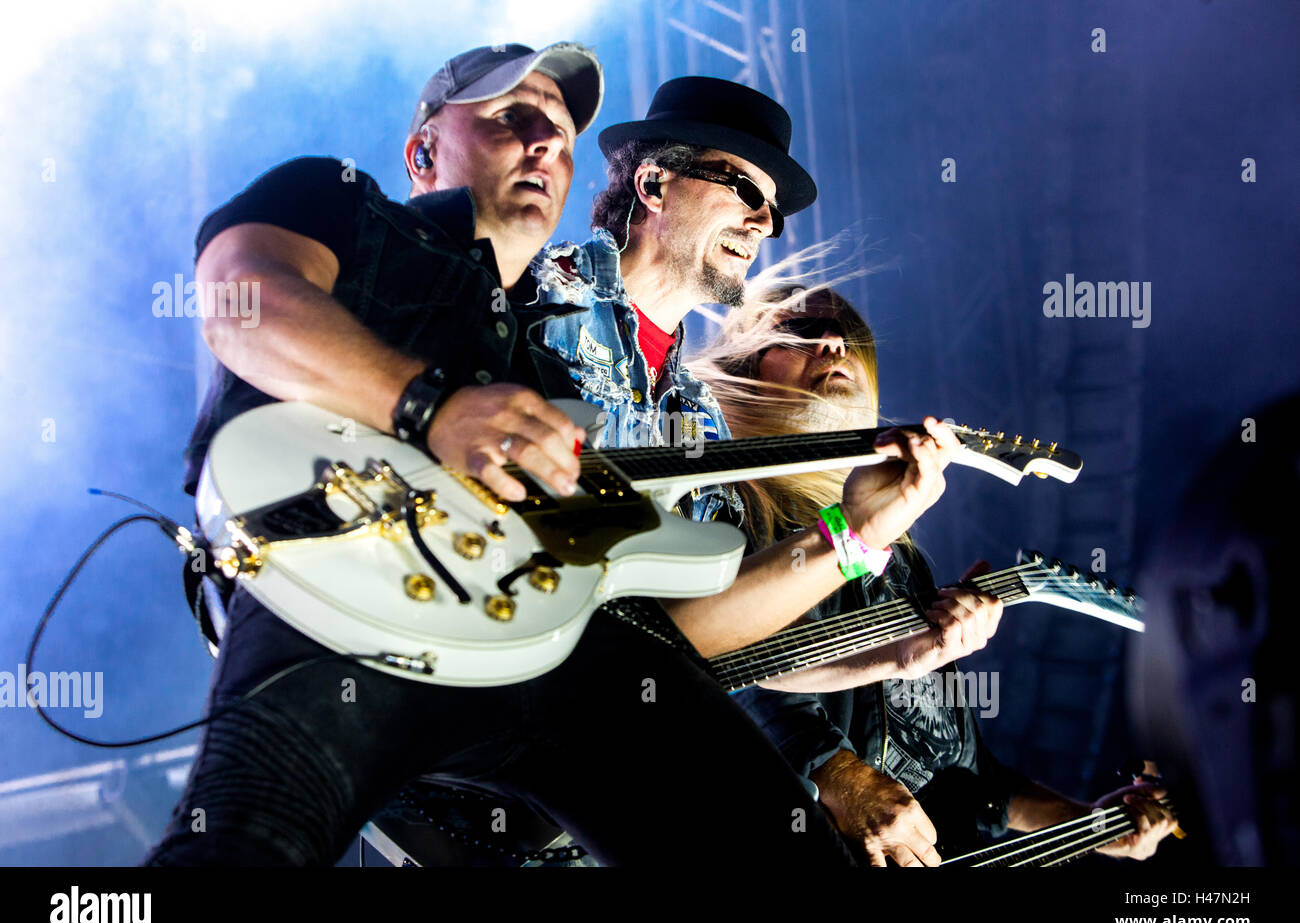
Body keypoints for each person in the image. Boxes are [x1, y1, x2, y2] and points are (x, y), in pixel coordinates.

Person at [145, 43, 857, 866]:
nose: (546, 143)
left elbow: (667, 619)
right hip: (338, 586)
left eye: (559, 130)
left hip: (540, 646)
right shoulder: (342, 206)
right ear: (423, 151)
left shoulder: (549, 363)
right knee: (240, 852)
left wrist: (857, 536)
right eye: (508, 118)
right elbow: (242, 302)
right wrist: (431, 405)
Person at [691, 283, 1180, 866]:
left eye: (848, 341)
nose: (831, 344)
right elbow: (715, 659)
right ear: (746, 367)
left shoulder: (905, 561)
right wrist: (837, 772)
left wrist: (1095, 824)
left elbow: (969, 777)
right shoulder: (728, 505)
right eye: (799, 334)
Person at [529, 77, 960, 661]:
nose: (763, 223)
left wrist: (892, 648)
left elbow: (710, 637)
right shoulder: (534, 295)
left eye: (772, 213)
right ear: (654, 183)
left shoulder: (698, 419)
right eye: (742, 189)